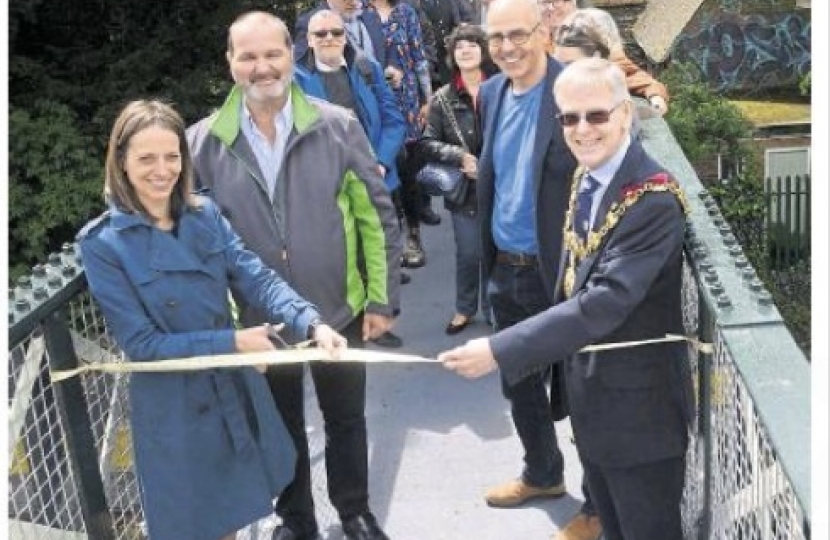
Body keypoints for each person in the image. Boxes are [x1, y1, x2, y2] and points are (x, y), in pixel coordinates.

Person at [440, 57, 693, 540]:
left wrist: (500, 348)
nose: (582, 129)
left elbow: (604, 302)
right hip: (594, 407)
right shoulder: (587, 178)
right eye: (569, 118)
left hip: (641, 419)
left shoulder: (653, 198)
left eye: (596, 115)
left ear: (625, 114)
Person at [78, 99, 348, 540]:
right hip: (176, 409)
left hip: (230, 390)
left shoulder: (204, 215)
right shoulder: (103, 244)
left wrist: (312, 324)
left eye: (172, 156)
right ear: (121, 162)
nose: (162, 169)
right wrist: (235, 343)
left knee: (234, 517)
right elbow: (142, 345)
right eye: (146, 158)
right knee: (195, 525)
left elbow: (256, 277)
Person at [187, 12, 401, 540]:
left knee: (346, 418)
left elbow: (376, 216)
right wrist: (233, 329)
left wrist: (381, 299)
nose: (262, 68)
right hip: (262, 325)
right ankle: (295, 520)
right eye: (248, 56)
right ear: (230, 62)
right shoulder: (201, 144)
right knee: (280, 430)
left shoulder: (336, 125)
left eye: (272, 54)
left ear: (291, 54)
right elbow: (201, 250)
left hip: (339, 307)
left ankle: (354, 511)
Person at [474, 0, 577, 510]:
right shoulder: (490, 93)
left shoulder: (572, 90)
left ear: (544, 31)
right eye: (496, 38)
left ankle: (600, 505)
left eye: (518, 34)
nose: (507, 47)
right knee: (519, 384)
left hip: (561, 274)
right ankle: (542, 473)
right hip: (505, 268)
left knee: (584, 390)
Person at [294, 8, 409, 349]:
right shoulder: (296, 80)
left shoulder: (367, 69)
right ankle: (342, 323)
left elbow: (393, 121)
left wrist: (382, 162)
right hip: (327, 185)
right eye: (321, 34)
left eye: (336, 32)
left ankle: (379, 319)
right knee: (342, 253)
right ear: (308, 40)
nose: (329, 39)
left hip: (375, 176)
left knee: (378, 248)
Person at [416, 23, 497, 335]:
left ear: (483, 50)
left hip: (502, 184)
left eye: (472, 44)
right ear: (452, 55)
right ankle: (465, 308)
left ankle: (493, 307)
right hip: (465, 190)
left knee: (499, 249)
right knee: (469, 252)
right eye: (459, 46)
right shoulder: (443, 98)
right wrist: (459, 157)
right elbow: (426, 143)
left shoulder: (501, 88)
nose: (465, 50)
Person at [365, 0, 437, 268]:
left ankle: (414, 236)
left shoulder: (405, 12)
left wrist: (428, 100)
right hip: (375, 104)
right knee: (384, 168)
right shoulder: (359, 12)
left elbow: (419, 59)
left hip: (406, 102)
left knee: (408, 171)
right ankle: (389, 243)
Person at [538, 0, 669, 115]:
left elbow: (630, 74)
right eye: (544, 2)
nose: (551, 7)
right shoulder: (528, 39)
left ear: (574, 3)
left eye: (559, 1)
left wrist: (655, 95)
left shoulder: (594, 35)